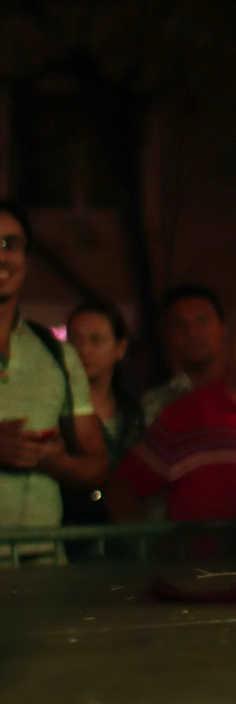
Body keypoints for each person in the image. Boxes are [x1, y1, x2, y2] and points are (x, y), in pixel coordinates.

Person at [106, 301, 236, 525]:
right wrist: (140, 544)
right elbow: (123, 490)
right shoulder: (182, 415)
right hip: (194, 549)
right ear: (226, 347)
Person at [0, 200, 110, 561]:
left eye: (10, 244)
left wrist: (57, 463)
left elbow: (98, 465)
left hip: (42, 563)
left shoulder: (57, 354)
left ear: (26, 259)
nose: (1, 256)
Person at [61, 298, 145, 531]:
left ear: (120, 347)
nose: (84, 350)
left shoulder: (133, 411)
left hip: (126, 531)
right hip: (73, 528)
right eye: (75, 340)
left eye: (96, 340)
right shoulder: (58, 411)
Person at [139, 284, 226, 426]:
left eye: (202, 321)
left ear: (223, 328)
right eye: (180, 324)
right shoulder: (155, 404)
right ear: (166, 335)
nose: (192, 332)